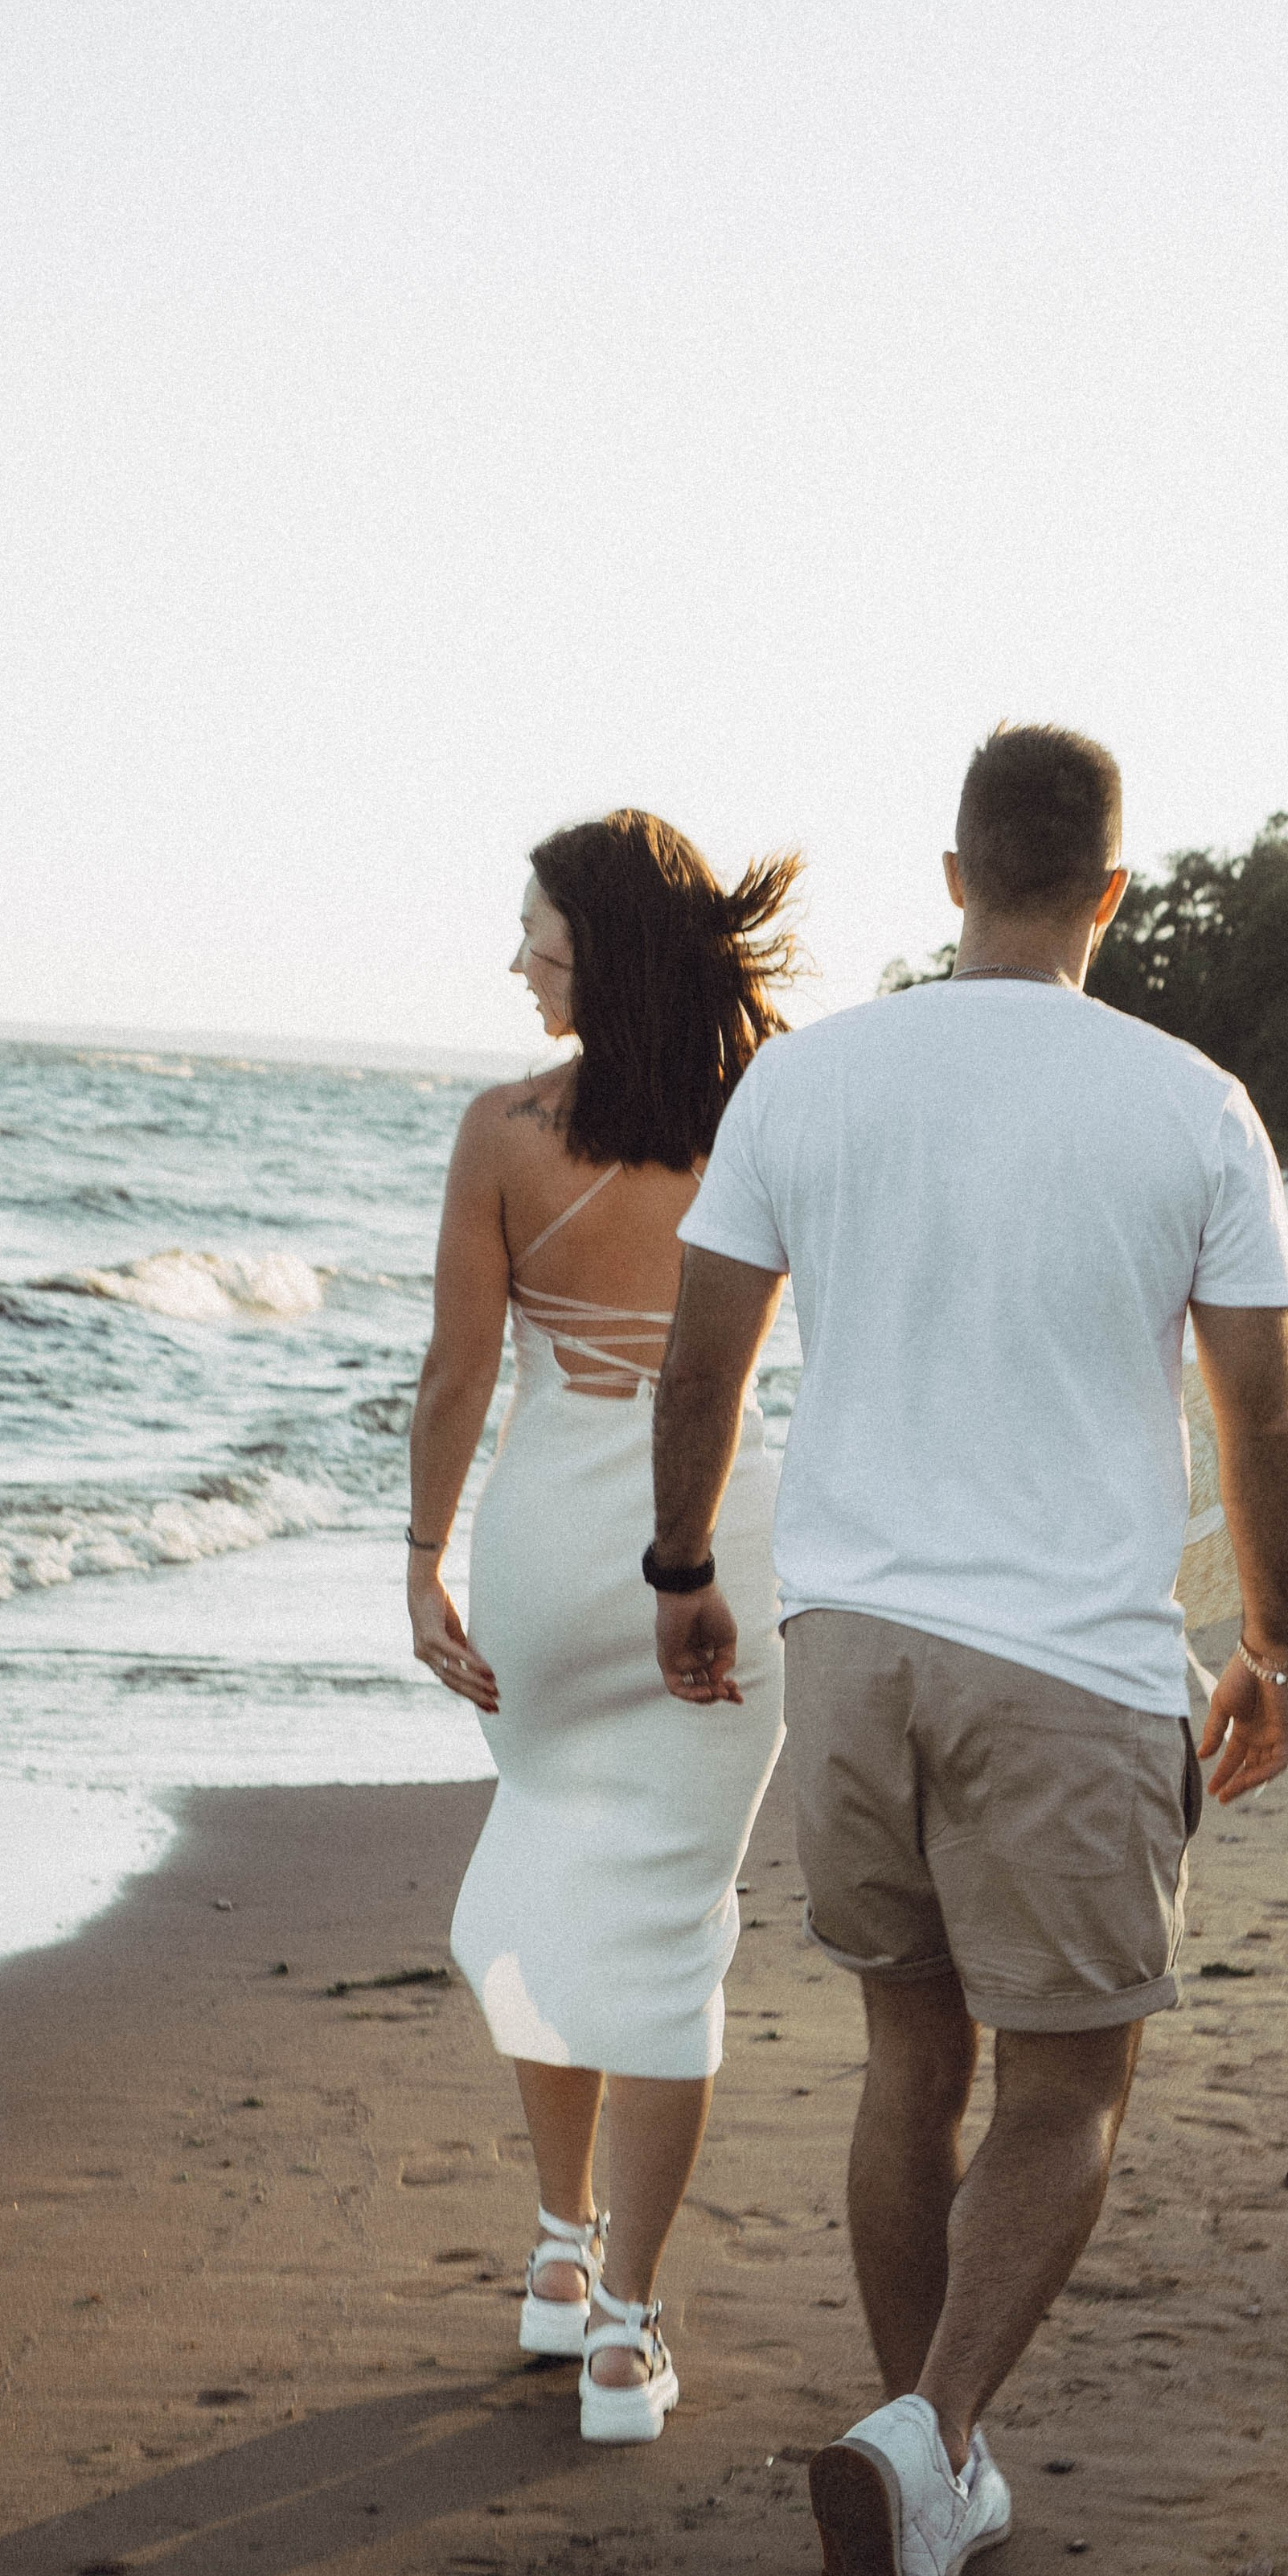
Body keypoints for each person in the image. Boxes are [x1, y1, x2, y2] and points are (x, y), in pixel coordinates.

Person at [649, 724, 1288, 2576]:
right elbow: (1257, 1413)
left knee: (904, 2065)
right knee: (1066, 2091)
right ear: (1108, 891)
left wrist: (682, 1571)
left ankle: (924, 2459)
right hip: (1070, 1666)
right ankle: (929, 2440)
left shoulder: (808, 1076)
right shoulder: (1192, 1104)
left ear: (947, 873)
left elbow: (704, 1358)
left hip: (852, 1641)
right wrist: (1268, 1645)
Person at [407, 810, 802, 2443]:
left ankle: (558, 2254)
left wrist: (420, 1560)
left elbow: (455, 1375)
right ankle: (625, 2335)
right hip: (715, 1541)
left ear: (602, 947)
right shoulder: (767, 1122)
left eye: (535, 932)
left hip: (544, 1550)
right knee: (664, 1919)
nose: (514, 961)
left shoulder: (502, 1132)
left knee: (551, 1868)